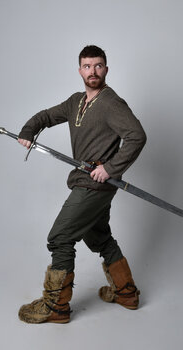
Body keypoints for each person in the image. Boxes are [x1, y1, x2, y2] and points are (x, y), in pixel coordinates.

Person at [17, 45, 146, 324]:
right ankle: (126, 293)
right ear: (79, 70)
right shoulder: (76, 101)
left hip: (96, 185)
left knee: (60, 237)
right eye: (87, 66)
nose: (93, 71)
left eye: (98, 66)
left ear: (106, 69)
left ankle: (57, 307)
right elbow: (45, 117)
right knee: (98, 237)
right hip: (85, 181)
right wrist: (28, 131)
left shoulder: (112, 103)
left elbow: (136, 136)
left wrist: (109, 168)